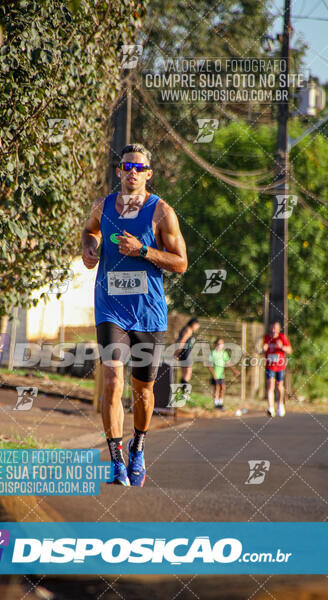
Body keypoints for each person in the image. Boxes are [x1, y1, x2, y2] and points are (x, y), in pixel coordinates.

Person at [81, 143, 188, 486]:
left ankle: (138, 445)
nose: (132, 172)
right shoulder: (104, 206)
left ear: (148, 174)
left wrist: (143, 250)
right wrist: (89, 247)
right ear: (118, 171)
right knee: (112, 381)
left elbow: (181, 262)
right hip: (110, 308)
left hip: (148, 313)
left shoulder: (161, 213)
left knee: (143, 392)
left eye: (139, 167)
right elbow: (89, 231)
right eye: (126, 166)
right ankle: (116, 459)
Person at [263, 321, 292, 417]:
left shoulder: (282, 337)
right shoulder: (267, 338)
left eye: (275, 328)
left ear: (279, 329)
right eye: (272, 328)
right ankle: (271, 408)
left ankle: (280, 405)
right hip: (270, 365)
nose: (273, 330)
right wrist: (264, 349)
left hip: (280, 365)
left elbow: (290, 350)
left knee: (279, 386)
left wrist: (282, 347)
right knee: (270, 385)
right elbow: (263, 350)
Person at [207, 338, 239, 410]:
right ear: (215, 344)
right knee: (216, 389)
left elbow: (228, 363)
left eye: (221, 344)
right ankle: (216, 404)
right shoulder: (213, 353)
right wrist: (213, 374)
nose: (220, 345)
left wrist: (235, 371)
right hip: (215, 375)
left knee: (223, 388)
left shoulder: (224, 353)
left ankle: (220, 404)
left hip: (221, 375)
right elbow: (209, 365)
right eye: (218, 344)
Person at [173, 318, 200, 392]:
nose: (197, 327)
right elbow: (182, 341)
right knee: (187, 373)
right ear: (193, 323)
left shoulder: (186, 329)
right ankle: (183, 392)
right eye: (197, 325)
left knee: (184, 374)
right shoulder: (188, 330)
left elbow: (177, 340)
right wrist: (177, 353)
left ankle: (182, 392)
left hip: (184, 354)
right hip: (186, 354)